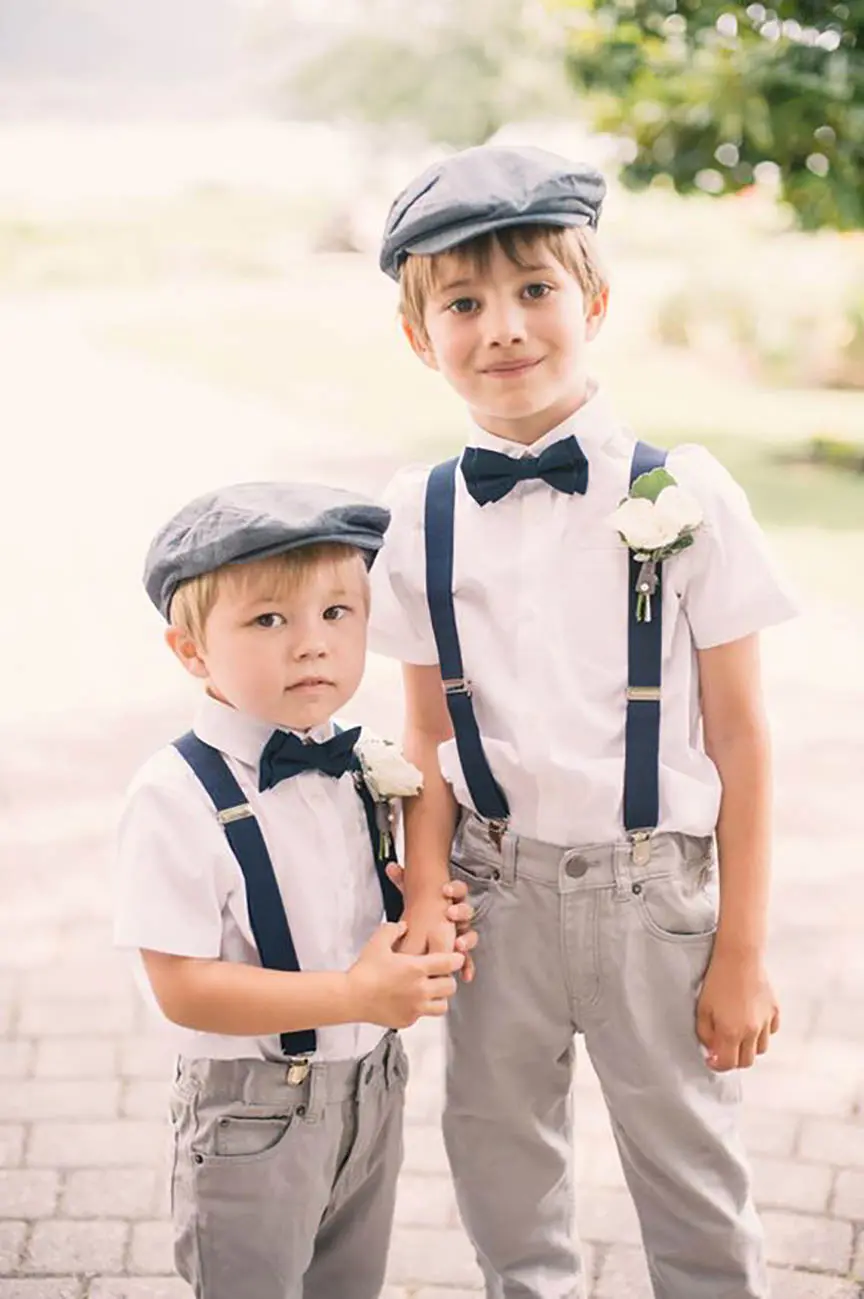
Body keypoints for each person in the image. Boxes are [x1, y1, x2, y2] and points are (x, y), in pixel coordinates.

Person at [369, 144, 798, 1298]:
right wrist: (421, 897)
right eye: (463, 303)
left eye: (535, 290)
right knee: (504, 1179)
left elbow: (746, 737)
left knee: (693, 1184)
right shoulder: (418, 514)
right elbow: (425, 737)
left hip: (654, 898)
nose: (502, 325)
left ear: (594, 302)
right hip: (491, 896)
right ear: (422, 337)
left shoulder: (684, 493)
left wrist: (743, 954)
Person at [114, 481, 475, 1299]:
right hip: (254, 1116)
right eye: (269, 620)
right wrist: (352, 992)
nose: (312, 645)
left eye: (336, 615)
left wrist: (422, 924)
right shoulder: (173, 797)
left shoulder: (357, 761)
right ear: (191, 650)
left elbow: (350, 910)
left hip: (372, 1096)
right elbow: (183, 988)